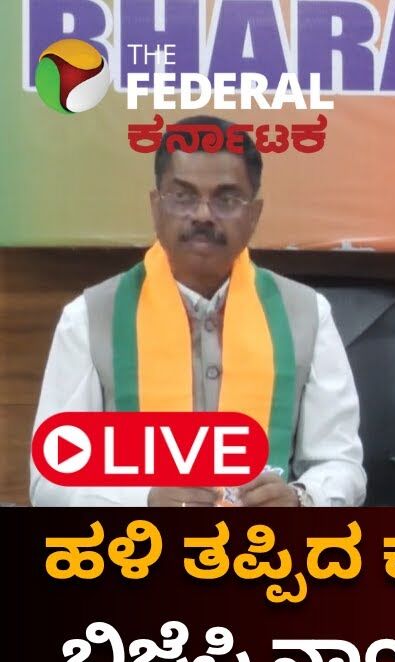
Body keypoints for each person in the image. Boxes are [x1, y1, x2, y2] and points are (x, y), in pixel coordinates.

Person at [29, 115, 365, 507]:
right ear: (156, 206)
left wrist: (300, 499)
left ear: (254, 215)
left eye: (227, 199)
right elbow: (50, 479)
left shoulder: (305, 314)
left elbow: (340, 463)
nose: (203, 214)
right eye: (183, 196)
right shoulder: (90, 317)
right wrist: (144, 499)